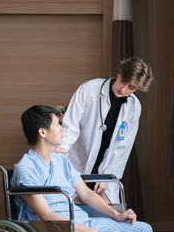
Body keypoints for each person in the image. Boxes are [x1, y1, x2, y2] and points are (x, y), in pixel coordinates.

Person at [11, 105, 159, 232]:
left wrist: (116, 215)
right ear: (43, 132)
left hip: (82, 222)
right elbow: (47, 216)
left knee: (142, 230)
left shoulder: (61, 160)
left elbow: (86, 194)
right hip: (52, 230)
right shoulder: (26, 169)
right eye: (57, 124)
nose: (62, 129)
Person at [56, 57, 154, 203]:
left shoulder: (134, 107)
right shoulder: (89, 89)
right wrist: (62, 147)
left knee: (110, 212)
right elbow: (70, 126)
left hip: (104, 170)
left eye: (131, 87)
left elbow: (123, 148)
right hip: (77, 163)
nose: (123, 89)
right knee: (71, 209)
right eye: (123, 81)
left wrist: (108, 177)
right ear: (119, 73)